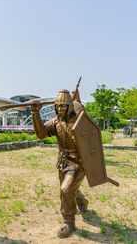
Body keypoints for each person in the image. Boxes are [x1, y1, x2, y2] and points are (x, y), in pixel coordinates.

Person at [31, 89, 88, 238]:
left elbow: (91, 141)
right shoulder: (56, 122)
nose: (60, 109)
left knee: (66, 190)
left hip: (78, 163)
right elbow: (41, 133)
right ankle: (82, 202)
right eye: (58, 106)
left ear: (70, 106)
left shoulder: (80, 121)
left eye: (63, 106)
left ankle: (69, 223)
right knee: (70, 190)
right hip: (63, 162)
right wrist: (35, 113)